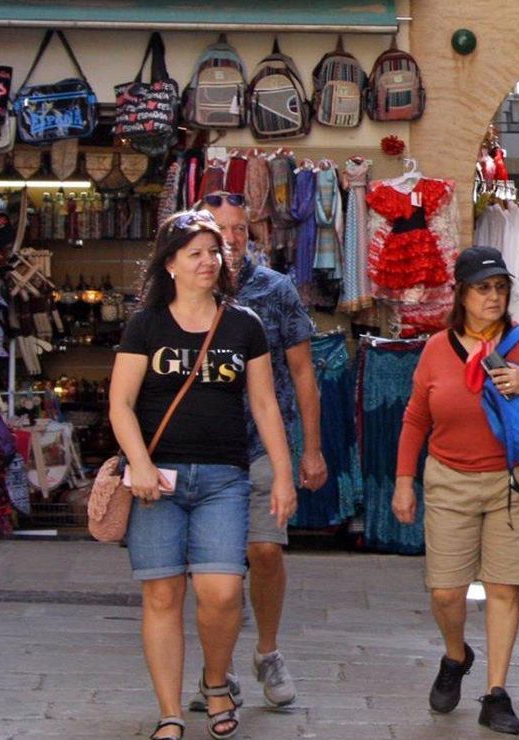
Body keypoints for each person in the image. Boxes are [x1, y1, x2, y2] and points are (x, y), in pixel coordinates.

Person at [109, 210, 297, 740]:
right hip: (156, 482)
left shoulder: (243, 324)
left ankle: (216, 682)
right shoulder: (146, 325)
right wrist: (139, 465)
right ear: (169, 263)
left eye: (214, 252)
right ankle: (169, 712)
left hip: (224, 478)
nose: (208, 262)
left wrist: (282, 476)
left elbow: (264, 406)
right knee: (162, 596)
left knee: (220, 593)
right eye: (195, 253)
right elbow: (120, 404)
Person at [391, 247, 519, 736]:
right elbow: (415, 419)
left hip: (516, 483)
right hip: (449, 478)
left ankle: (496, 692)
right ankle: (456, 654)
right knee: (446, 590)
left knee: (503, 587)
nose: (493, 297)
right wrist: (403, 481)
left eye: (500, 288)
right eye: (482, 288)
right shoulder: (435, 349)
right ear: (462, 294)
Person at [177, 194, 326, 714]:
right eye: (220, 228)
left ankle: (268, 651)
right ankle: (220, 672)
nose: (232, 237)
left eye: (239, 227)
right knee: (213, 569)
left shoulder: (274, 290)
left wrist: (312, 449)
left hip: (265, 443)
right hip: (204, 447)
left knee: (264, 552)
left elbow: (304, 371)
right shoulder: (181, 289)